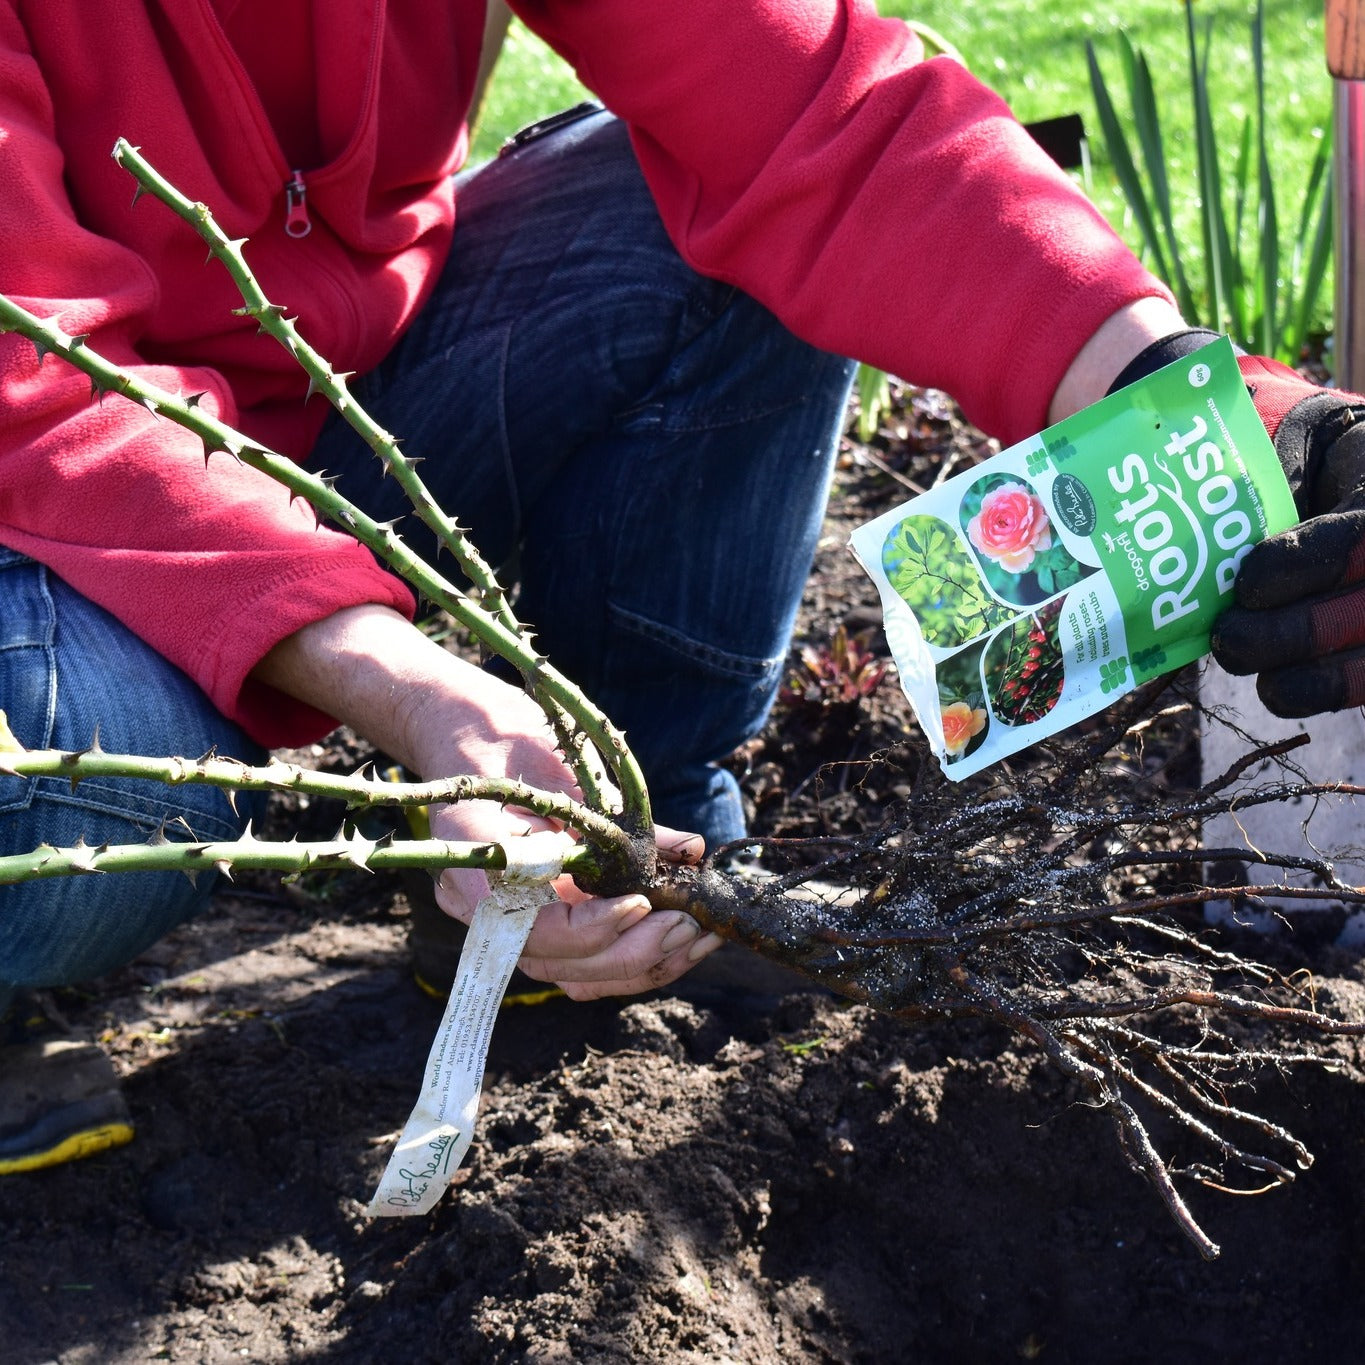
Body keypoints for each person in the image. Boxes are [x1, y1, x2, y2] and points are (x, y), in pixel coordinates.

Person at [2, 0, 1362, 1174]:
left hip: (342, 396)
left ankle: (616, 858)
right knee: (74, 801)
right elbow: (42, 398)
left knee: (719, 225)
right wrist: (414, 694)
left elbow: (821, 119)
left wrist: (1220, 416)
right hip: (49, 514)